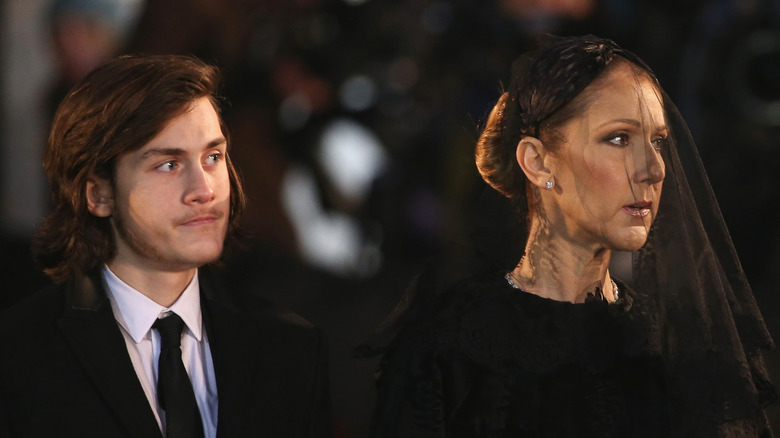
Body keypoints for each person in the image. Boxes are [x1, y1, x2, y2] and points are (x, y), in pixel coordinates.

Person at [365, 35, 776, 436]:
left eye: (658, 141)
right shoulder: (448, 351)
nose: (653, 168)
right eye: (618, 138)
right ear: (538, 162)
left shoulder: (673, 348)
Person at [0, 54, 332, 437]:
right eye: (168, 164)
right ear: (99, 193)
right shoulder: (18, 356)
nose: (204, 190)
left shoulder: (290, 349)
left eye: (213, 157)